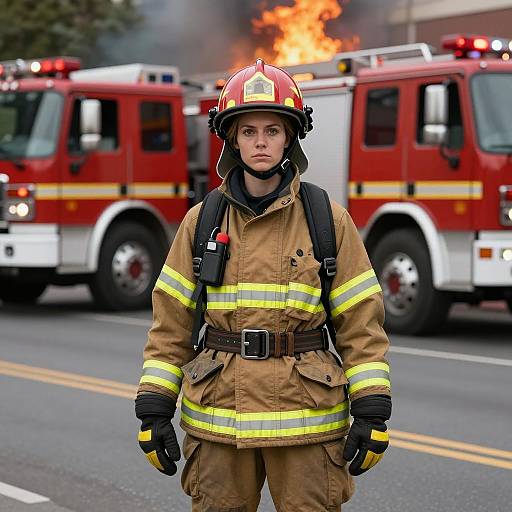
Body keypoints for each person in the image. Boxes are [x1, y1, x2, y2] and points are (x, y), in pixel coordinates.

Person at [135, 59, 392, 512]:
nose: (260, 143)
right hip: (219, 422)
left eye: (272, 131)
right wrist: (154, 405)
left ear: (290, 137)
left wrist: (372, 406)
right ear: (231, 137)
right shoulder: (202, 221)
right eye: (249, 131)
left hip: (306, 423)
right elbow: (170, 322)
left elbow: (361, 323)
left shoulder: (327, 220)